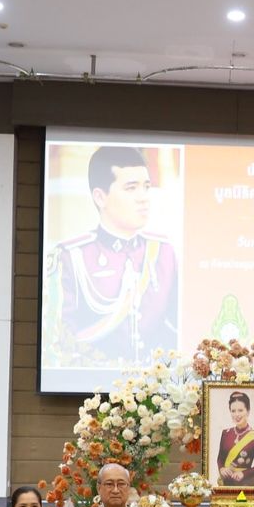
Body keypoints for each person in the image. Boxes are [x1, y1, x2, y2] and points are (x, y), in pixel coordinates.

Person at [49, 143, 179, 366]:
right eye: (131, 188)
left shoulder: (163, 252)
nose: (143, 197)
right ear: (100, 197)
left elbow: (177, 328)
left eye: (146, 187)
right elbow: (61, 343)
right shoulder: (72, 257)